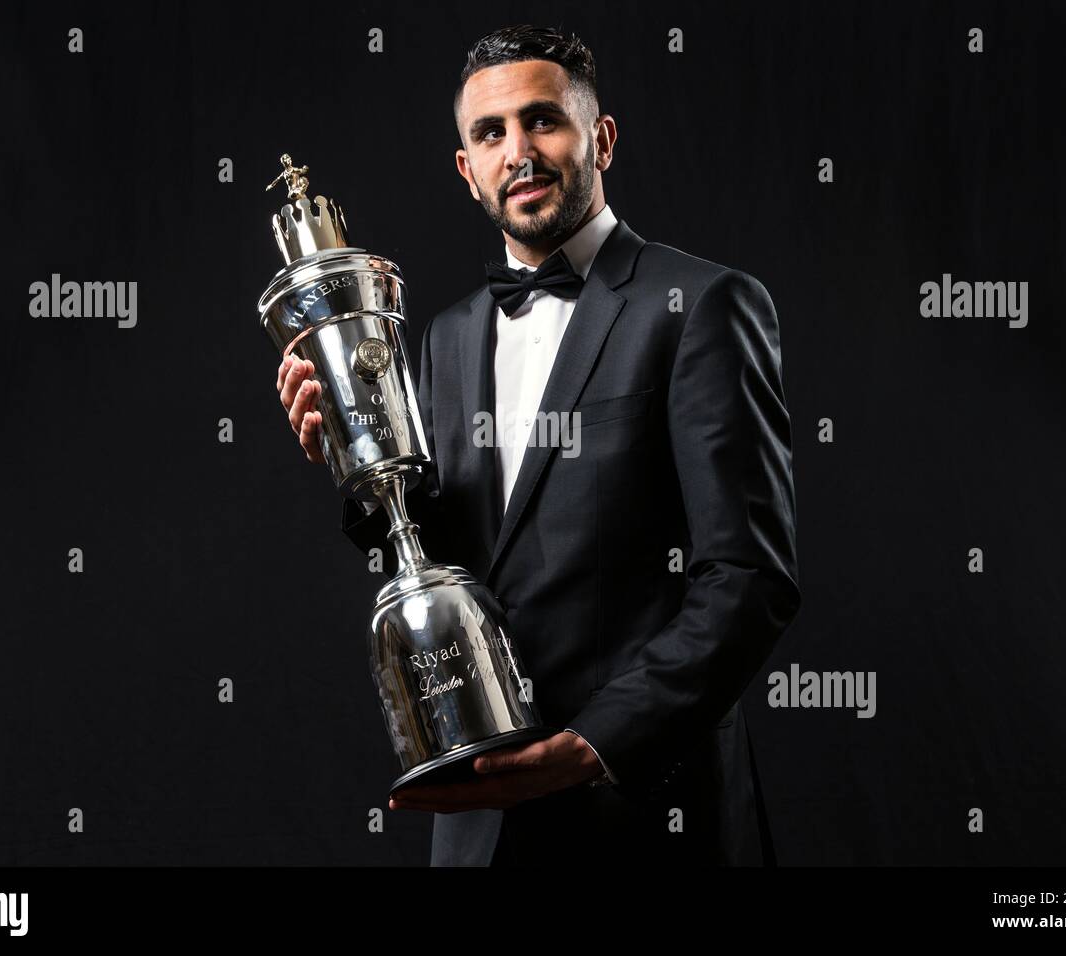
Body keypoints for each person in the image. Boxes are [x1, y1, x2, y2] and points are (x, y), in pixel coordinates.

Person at [274, 23, 801, 866]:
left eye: (542, 120)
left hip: (649, 814)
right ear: (466, 169)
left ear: (602, 138)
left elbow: (748, 581)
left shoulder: (701, 304)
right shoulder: (445, 338)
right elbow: (452, 556)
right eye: (490, 134)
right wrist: (353, 459)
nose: (518, 150)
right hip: (483, 827)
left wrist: (585, 750)